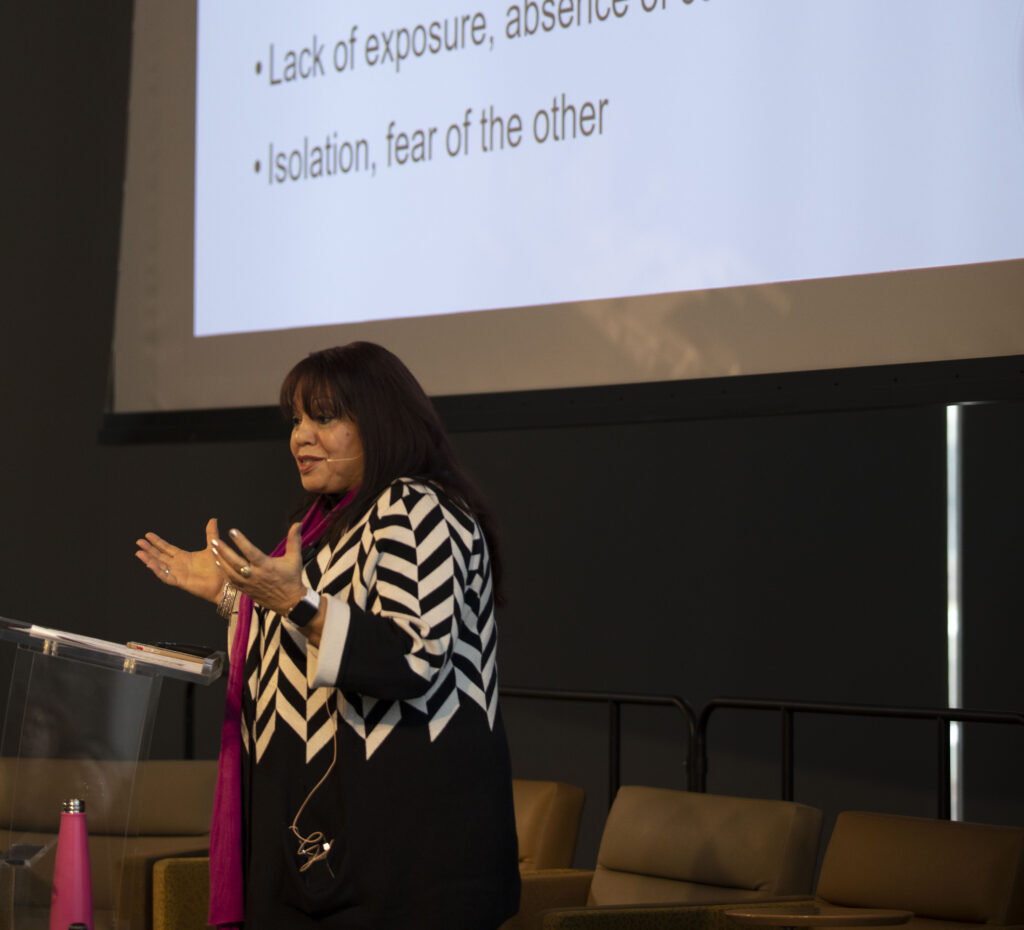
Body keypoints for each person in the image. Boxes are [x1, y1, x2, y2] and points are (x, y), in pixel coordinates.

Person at [135, 342, 521, 930]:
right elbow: (312, 635)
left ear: (382, 422)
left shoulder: (414, 507)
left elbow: (412, 656)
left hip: (405, 862)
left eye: (324, 417)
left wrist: (291, 600)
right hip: (331, 846)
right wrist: (231, 594)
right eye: (296, 419)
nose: (300, 436)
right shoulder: (333, 523)